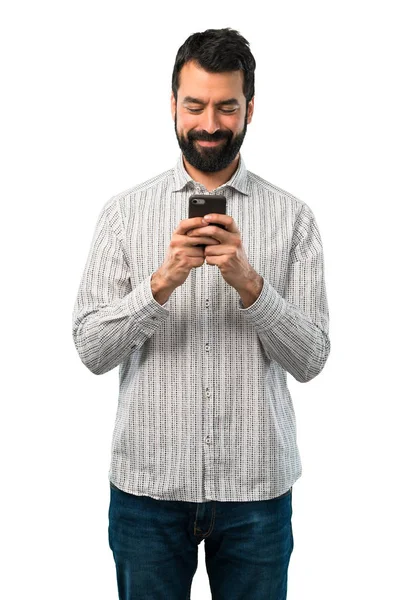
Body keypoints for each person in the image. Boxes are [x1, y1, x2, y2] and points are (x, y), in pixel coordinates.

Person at [72, 27, 330, 600]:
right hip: (148, 493)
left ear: (250, 108)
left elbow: (312, 359)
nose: (209, 123)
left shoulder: (294, 219)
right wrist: (161, 283)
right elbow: (90, 348)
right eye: (195, 105)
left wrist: (250, 284)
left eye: (226, 107)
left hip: (256, 495)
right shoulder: (124, 215)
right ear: (172, 105)